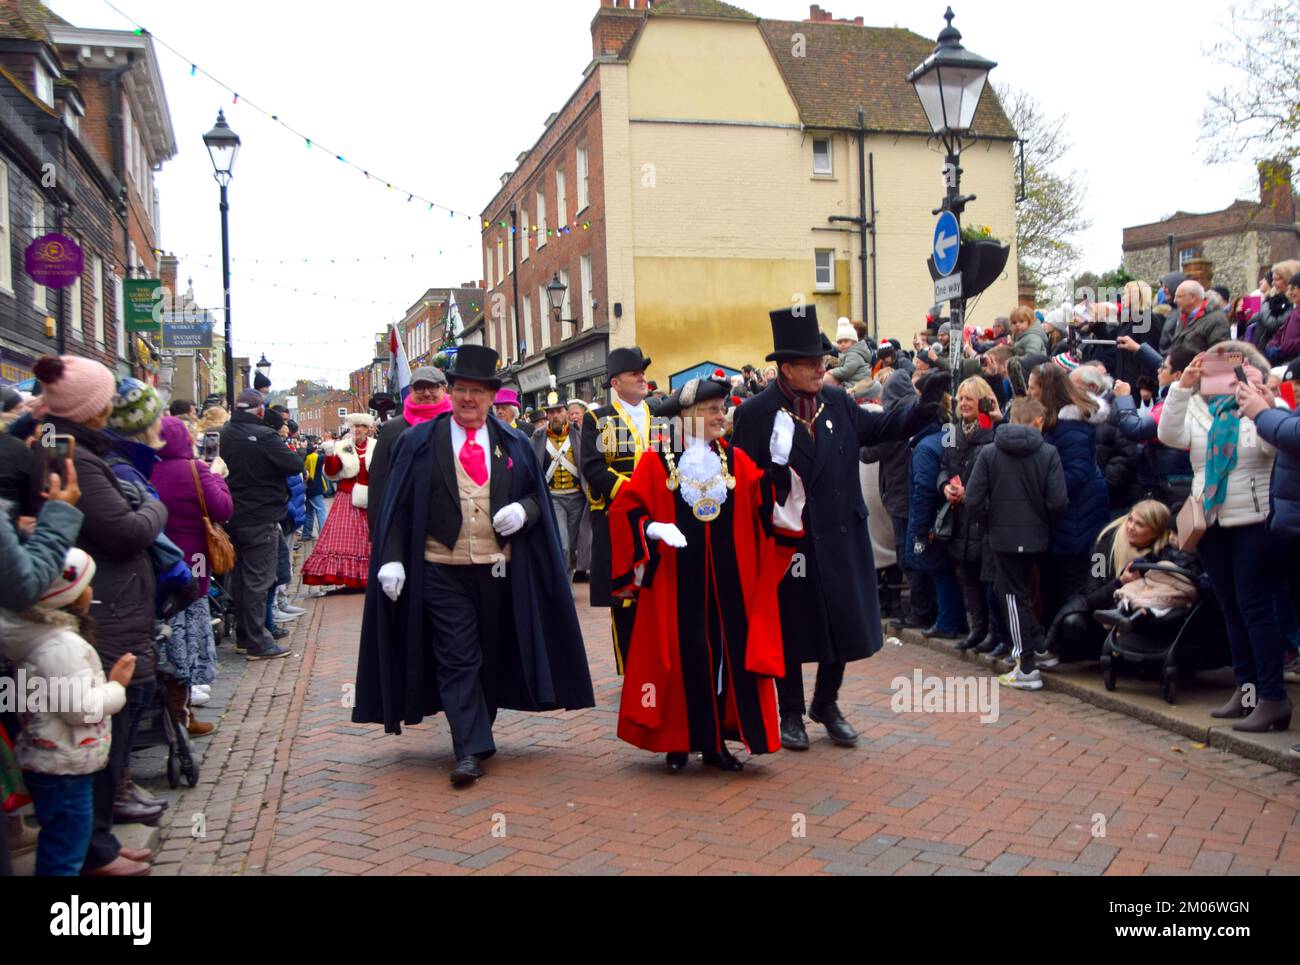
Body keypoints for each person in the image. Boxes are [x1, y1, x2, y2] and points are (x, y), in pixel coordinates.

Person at [353, 345, 596, 785]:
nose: (468, 398)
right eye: (461, 389)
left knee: (489, 655)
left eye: (478, 391)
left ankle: (477, 731)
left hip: (499, 570)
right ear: (451, 393)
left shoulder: (514, 443)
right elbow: (398, 507)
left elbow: (536, 499)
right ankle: (468, 749)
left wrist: (524, 511)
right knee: (457, 656)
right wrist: (390, 559)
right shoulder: (417, 442)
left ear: (491, 397)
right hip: (439, 568)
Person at [731, 307, 949, 750]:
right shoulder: (757, 414)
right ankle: (789, 712)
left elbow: (883, 425)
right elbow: (743, 480)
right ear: (785, 368)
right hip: (789, 543)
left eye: (823, 362)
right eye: (812, 363)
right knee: (790, 628)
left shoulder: (839, 402)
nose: (821, 368)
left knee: (844, 625)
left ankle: (825, 703)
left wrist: (923, 406)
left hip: (842, 534)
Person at [609, 373, 805, 771]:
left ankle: (715, 744)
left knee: (724, 662)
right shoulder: (657, 460)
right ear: (688, 416)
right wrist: (652, 527)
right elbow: (624, 510)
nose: (722, 416)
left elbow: (764, 506)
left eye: (723, 409)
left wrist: (780, 466)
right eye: (712, 410)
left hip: (728, 584)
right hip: (678, 581)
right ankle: (679, 741)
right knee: (685, 654)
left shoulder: (735, 460)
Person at [33, 355, 167, 874]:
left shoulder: (61, 445)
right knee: (107, 724)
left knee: (106, 727)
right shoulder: (78, 459)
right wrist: (155, 508)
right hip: (104, 605)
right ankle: (94, 852)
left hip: (102, 599)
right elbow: (124, 532)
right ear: (92, 408)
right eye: (107, 396)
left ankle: (101, 844)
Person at [1158, 342, 1290, 732]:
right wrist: (1183, 386)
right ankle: (1246, 692)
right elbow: (1168, 434)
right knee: (1230, 610)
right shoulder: (1201, 408)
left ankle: (1273, 698)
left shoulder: (1265, 406)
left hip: (1253, 521)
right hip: (1211, 522)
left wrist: (1261, 406)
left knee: (1255, 609)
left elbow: (1274, 445)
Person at [0, 549, 138, 876]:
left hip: (55, 757)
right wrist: (117, 686)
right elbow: (80, 709)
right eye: (88, 584)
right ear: (71, 595)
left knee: (64, 838)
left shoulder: (45, 640)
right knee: (65, 848)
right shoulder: (63, 647)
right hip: (63, 762)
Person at [963, 399, 1069, 690]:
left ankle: (1026, 665)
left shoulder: (989, 452)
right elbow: (1058, 500)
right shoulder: (1049, 452)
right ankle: (1038, 648)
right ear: (1037, 422)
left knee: (1011, 596)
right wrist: (1043, 521)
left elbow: (973, 499)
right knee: (1014, 593)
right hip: (1035, 536)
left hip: (1003, 536)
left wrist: (990, 522)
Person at [580, 346, 659, 673]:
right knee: (625, 595)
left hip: (657, 517)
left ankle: (657, 663)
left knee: (656, 589)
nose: (642, 378)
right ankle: (631, 668)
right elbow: (593, 468)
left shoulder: (661, 414)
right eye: (634, 373)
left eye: (642, 372)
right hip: (617, 517)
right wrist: (634, 492)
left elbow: (670, 461)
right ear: (616, 382)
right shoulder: (597, 419)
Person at [150, 416, 232, 725]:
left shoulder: (144, 468)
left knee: (164, 631)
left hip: (155, 563)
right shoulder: (194, 469)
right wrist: (217, 477)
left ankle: (170, 703)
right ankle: (186, 701)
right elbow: (222, 508)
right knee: (190, 629)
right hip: (192, 561)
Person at [219, 389, 303, 661]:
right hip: (261, 514)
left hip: (234, 513)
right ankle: (257, 642)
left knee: (242, 578)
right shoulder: (265, 436)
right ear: (259, 410)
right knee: (259, 579)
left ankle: (245, 636)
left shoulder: (226, 433)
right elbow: (293, 464)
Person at [1039, 500, 1172, 666]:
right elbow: (1092, 594)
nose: (1130, 527)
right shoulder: (1105, 543)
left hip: (1141, 616)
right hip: (1102, 615)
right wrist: (1120, 582)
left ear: (1154, 532)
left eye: (1139, 524)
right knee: (1073, 623)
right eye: (1130, 519)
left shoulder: (1163, 553)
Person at [1029, 363, 1110, 624]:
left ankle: (1068, 640)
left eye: (1033, 389)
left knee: (1071, 580)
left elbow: (1074, 474)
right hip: (1067, 514)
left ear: (1047, 392)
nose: (1029, 394)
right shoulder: (1057, 424)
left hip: (1076, 515)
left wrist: (1042, 492)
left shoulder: (1071, 427)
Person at [938, 376, 1001, 651]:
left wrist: (972, 494)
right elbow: (943, 465)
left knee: (986, 577)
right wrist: (944, 487)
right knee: (966, 576)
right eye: (961, 398)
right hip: (958, 518)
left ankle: (993, 631)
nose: (963, 403)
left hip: (983, 517)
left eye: (970, 399)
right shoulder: (952, 431)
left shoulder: (994, 432)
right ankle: (978, 627)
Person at [904, 376, 966, 639]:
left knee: (940, 571)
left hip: (937, 520)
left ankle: (948, 622)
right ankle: (952, 619)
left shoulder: (925, 447)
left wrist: (918, 530)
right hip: (952, 516)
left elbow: (923, 491)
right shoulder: (948, 437)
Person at [367, 367, 451, 543]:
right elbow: (378, 482)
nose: (427, 393)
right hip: (406, 525)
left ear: (444, 389)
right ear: (411, 391)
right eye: (420, 387)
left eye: (433, 387)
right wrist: (378, 530)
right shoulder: (393, 429)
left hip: (451, 524)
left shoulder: (457, 423)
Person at [1111, 346, 1197, 506]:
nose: (1158, 370)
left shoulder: (1173, 406)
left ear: (1178, 376)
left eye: (1163, 368)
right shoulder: (1188, 391)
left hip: (1172, 486)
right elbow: (1168, 365)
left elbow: (1135, 429)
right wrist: (1138, 348)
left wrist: (1124, 398)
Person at [302, 413, 374, 592]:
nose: (357, 430)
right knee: (343, 539)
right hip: (347, 496)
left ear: (368, 429)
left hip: (371, 497)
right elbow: (331, 471)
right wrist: (329, 454)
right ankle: (348, 577)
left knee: (368, 539)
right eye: (354, 426)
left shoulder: (376, 446)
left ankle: (367, 576)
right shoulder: (342, 446)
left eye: (361, 426)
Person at [532, 392, 586, 576]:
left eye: (558, 411)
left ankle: (568, 573)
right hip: (553, 497)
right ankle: (566, 585)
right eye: (551, 412)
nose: (555, 415)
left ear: (566, 412)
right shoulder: (538, 437)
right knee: (562, 545)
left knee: (573, 544)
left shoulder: (579, 433)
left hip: (577, 497)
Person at [1161, 280, 1231, 355]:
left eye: (1179, 296)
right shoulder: (1183, 316)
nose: (1175, 301)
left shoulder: (1217, 319)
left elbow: (1220, 355)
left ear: (1192, 297)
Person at [825, 317, 872, 390]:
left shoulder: (854, 355)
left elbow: (847, 371)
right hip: (853, 383)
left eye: (846, 341)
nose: (842, 344)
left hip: (857, 385)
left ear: (854, 342)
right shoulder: (848, 353)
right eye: (840, 342)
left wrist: (833, 371)